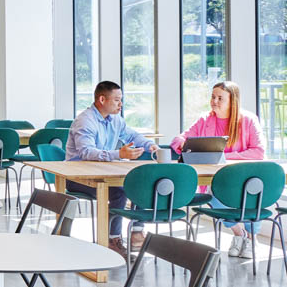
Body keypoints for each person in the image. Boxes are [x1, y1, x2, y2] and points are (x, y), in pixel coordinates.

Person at [171, 80, 265, 257]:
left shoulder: (248, 120)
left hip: (243, 177)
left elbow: (259, 152)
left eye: (220, 98)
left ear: (232, 101)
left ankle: (252, 239)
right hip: (216, 179)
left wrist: (222, 156)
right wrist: (183, 143)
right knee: (213, 194)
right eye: (213, 97)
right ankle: (239, 234)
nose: (214, 101)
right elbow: (178, 140)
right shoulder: (205, 120)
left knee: (254, 194)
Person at [66, 80, 158, 250]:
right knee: (119, 191)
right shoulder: (85, 121)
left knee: (139, 183)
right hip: (77, 177)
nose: (121, 104)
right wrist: (119, 154)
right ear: (102, 100)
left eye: (121, 100)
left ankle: (137, 232)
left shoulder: (115, 120)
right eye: (117, 100)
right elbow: (86, 152)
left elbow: (132, 136)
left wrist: (150, 145)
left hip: (103, 172)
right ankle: (112, 239)